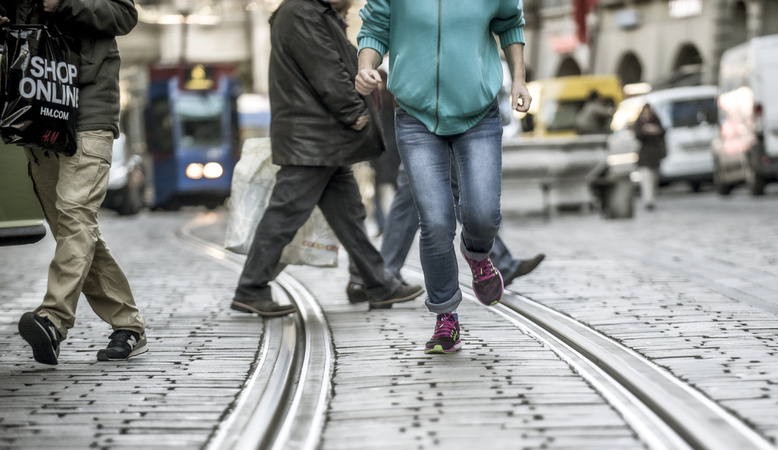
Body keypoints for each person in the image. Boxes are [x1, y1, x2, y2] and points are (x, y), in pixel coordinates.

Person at [356, 2, 532, 354]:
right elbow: (374, 27)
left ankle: (479, 257)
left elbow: (510, 22)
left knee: (483, 214)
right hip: (415, 116)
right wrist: (365, 67)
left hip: (478, 113)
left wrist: (520, 80)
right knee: (435, 223)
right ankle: (445, 317)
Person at [231, 0, 424, 316]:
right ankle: (251, 288)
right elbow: (326, 68)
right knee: (286, 214)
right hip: (312, 138)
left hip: (323, 139)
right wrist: (352, 111)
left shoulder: (314, 13)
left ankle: (376, 283)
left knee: (350, 214)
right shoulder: (301, 12)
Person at [0, 0, 148, 364]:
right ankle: (129, 325)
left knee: (75, 214)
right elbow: (22, 34)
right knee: (71, 226)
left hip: (88, 110)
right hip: (37, 107)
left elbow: (124, 14)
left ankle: (53, 319)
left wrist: (66, 5)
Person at [346, 162, 546, 303]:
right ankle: (385, 277)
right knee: (441, 186)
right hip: (427, 118)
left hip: (431, 116)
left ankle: (385, 277)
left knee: (414, 191)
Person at [634, 104, 667, 210]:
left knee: (654, 179)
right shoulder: (639, 122)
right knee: (646, 179)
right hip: (644, 155)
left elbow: (663, 132)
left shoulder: (656, 120)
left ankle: (652, 198)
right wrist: (645, 131)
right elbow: (637, 135)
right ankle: (648, 200)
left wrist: (655, 130)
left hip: (654, 155)